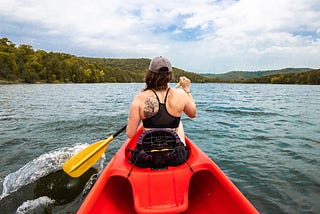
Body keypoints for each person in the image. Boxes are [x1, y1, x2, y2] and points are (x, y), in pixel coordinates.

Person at [126, 56, 197, 167]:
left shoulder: (139, 98)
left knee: (144, 125)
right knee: (179, 123)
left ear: (149, 74)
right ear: (169, 75)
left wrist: (135, 118)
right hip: (175, 157)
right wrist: (187, 90)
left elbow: (130, 134)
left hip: (145, 158)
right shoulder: (181, 95)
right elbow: (193, 114)